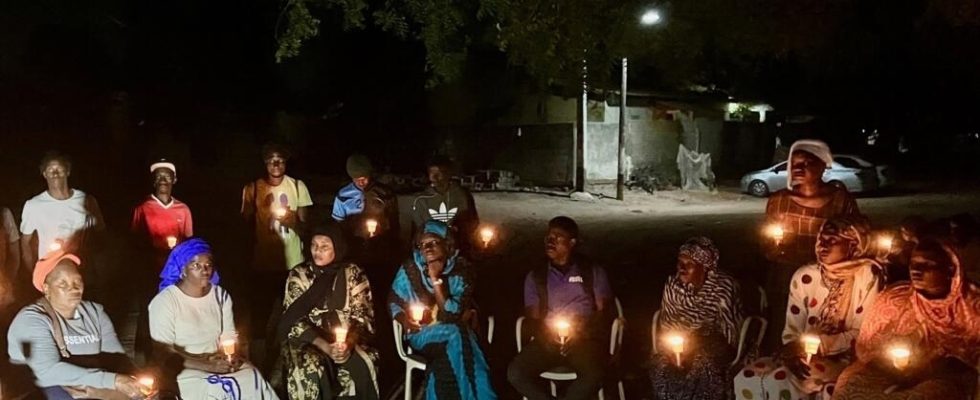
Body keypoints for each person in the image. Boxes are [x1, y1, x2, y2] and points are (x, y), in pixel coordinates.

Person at [735, 218, 884, 400]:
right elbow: (792, 329)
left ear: (853, 246)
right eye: (821, 239)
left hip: (846, 357)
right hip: (800, 353)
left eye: (832, 240)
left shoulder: (867, 276)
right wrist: (791, 350)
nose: (823, 245)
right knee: (746, 378)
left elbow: (863, 334)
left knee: (781, 381)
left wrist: (820, 345)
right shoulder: (805, 276)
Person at [831, 238, 980, 399]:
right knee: (849, 383)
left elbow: (968, 361)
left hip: (942, 377)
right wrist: (891, 360)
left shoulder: (972, 306)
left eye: (926, 265)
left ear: (950, 270)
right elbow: (867, 348)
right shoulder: (895, 298)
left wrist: (929, 366)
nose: (916, 271)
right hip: (888, 371)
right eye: (913, 264)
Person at [148, 238, 279, 400]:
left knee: (252, 376)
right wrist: (206, 364)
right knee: (215, 388)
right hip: (183, 367)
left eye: (208, 265)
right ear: (183, 270)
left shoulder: (220, 295)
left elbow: (228, 335)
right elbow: (163, 353)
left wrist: (227, 356)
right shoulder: (165, 302)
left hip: (216, 360)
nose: (204, 270)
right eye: (196, 265)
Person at [7, 252, 144, 400]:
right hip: (41, 392)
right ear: (46, 289)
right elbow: (47, 372)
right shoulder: (31, 320)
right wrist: (113, 381)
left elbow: (116, 357)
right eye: (62, 284)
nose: (73, 288)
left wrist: (134, 381)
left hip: (89, 390)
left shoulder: (95, 313)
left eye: (77, 282)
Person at [762, 140, 860, 345]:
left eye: (806, 163)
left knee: (822, 323)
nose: (798, 168)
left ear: (823, 165)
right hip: (785, 274)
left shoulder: (840, 201)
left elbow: (856, 237)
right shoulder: (779, 200)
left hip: (829, 278)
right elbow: (766, 238)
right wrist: (773, 246)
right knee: (784, 322)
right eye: (794, 163)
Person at [507, 216, 614, 400]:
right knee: (516, 373)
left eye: (557, 237)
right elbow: (533, 318)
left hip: (584, 339)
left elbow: (604, 311)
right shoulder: (536, 276)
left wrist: (581, 330)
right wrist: (546, 335)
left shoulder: (591, 271)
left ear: (572, 242)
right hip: (548, 340)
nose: (550, 241)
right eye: (548, 236)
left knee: (594, 374)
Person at [389, 220, 496, 400]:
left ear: (448, 245)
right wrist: (404, 320)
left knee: (452, 347)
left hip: (456, 332)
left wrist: (435, 279)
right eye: (422, 245)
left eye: (433, 243)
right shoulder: (410, 269)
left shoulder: (462, 270)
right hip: (421, 333)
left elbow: (450, 315)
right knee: (459, 338)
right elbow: (394, 300)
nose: (427, 249)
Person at [277, 223, 379, 399]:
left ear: (337, 248)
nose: (317, 251)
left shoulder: (352, 273)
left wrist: (348, 344)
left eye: (324, 247)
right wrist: (323, 345)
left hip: (346, 340)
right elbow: (292, 320)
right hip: (308, 340)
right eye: (314, 245)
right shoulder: (299, 275)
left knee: (367, 358)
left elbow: (364, 316)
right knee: (309, 364)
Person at [240, 144, 313, 362]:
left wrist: (294, 222)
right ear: (264, 162)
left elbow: (307, 228)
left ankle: (290, 359)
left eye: (280, 159)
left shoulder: (298, 187)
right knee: (260, 317)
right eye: (271, 160)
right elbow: (244, 226)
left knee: (292, 313)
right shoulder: (253, 188)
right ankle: (260, 362)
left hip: (292, 264)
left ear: (286, 162)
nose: (275, 164)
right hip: (263, 264)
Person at [649, 237, 743, 400]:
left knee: (701, 364)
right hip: (680, 343)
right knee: (661, 364)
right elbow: (667, 324)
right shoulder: (672, 286)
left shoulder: (723, 287)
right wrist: (673, 349)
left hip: (712, 343)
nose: (681, 268)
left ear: (705, 267)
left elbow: (730, 334)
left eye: (689, 264)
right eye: (680, 262)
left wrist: (696, 343)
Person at [131, 160, 194, 361]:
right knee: (148, 312)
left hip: (175, 274)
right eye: (159, 176)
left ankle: (174, 356)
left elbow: (190, 243)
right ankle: (146, 358)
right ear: (153, 181)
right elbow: (134, 240)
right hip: (150, 271)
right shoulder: (143, 208)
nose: (163, 180)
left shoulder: (183, 209)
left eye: (167, 176)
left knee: (174, 311)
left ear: (174, 180)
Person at [20, 152, 104, 281]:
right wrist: (34, 272)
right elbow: (25, 242)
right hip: (51, 272)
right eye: (50, 169)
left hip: (82, 269)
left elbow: (100, 233)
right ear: (44, 174)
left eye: (59, 168)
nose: (55, 173)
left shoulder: (86, 200)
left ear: (67, 171)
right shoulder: (34, 205)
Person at [332, 154, 399, 264]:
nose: (361, 183)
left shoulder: (385, 193)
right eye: (357, 179)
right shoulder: (343, 195)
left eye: (364, 178)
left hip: (380, 247)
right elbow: (337, 224)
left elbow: (394, 222)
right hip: (353, 247)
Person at [411, 156, 479, 254]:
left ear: (449, 173)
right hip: (431, 251)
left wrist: (457, 232)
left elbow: (472, 221)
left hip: (458, 249)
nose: (435, 177)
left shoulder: (462, 195)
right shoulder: (421, 199)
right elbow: (418, 229)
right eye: (431, 173)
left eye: (439, 173)